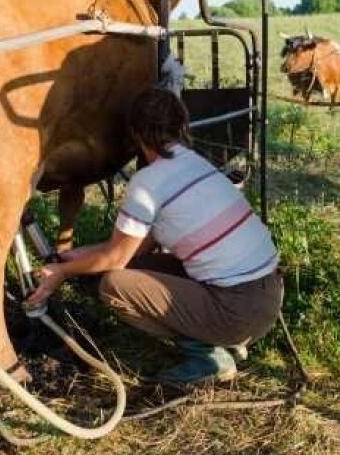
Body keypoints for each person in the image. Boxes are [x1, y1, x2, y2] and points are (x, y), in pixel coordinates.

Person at [26, 87, 283, 385]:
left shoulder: (147, 184)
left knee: (114, 285)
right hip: (267, 294)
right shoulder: (195, 163)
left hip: (236, 310)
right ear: (182, 124)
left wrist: (62, 272)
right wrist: (75, 256)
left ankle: (209, 355)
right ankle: (225, 338)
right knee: (136, 268)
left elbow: (115, 258)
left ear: (135, 134)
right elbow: (135, 247)